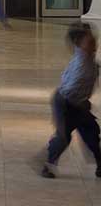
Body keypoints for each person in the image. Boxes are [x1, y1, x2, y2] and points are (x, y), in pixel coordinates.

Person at [42, 22, 101, 179]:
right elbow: (68, 89)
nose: (94, 42)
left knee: (92, 133)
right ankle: (47, 165)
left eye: (94, 39)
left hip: (79, 103)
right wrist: (81, 103)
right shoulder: (82, 66)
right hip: (65, 103)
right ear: (79, 44)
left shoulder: (85, 56)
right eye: (90, 41)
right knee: (63, 137)